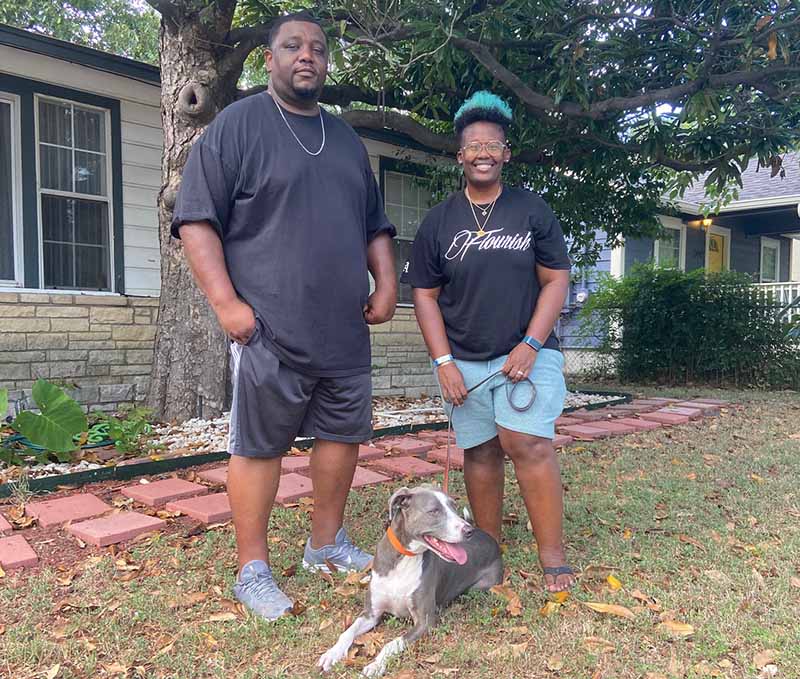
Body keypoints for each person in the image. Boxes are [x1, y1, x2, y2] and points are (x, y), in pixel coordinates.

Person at [171, 12, 397, 620]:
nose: (307, 56)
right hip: (268, 328)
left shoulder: (345, 140)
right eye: (292, 46)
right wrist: (227, 305)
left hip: (343, 329)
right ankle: (253, 570)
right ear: (269, 59)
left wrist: (387, 283)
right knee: (259, 445)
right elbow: (196, 220)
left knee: (342, 437)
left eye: (318, 48)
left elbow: (375, 226)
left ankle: (326, 545)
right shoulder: (238, 125)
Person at [402, 91, 575, 592]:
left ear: (506, 153)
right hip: (463, 360)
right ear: (460, 155)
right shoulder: (440, 221)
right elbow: (424, 295)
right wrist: (443, 362)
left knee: (527, 443)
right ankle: (486, 552)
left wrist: (531, 344)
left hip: (527, 352)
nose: (483, 153)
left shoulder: (531, 210)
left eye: (492, 145)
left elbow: (556, 280)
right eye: (474, 146)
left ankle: (552, 556)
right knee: (479, 451)